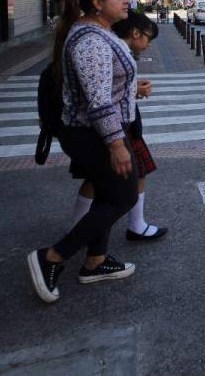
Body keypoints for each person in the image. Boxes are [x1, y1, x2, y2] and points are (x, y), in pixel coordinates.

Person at [27, 0, 138, 303]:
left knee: (107, 195)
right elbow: (98, 101)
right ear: (97, 3)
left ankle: (95, 262)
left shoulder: (98, 32)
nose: (127, 1)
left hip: (100, 131)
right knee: (123, 197)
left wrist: (133, 90)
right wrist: (117, 146)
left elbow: (105, 87)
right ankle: (52, 257)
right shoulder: (91, 41)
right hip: (95, 135)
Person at [70, 12, 167, 242]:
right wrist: (116, 144)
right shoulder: (102, 45)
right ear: (135, 33)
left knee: (116, 177)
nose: (148, 44)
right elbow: (100, 94)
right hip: (114, 126)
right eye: (148, 38)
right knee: (115, 186)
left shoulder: (104, 42)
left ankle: (131, 226)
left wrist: (134, 90)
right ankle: (76, 239)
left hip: (118, 123)